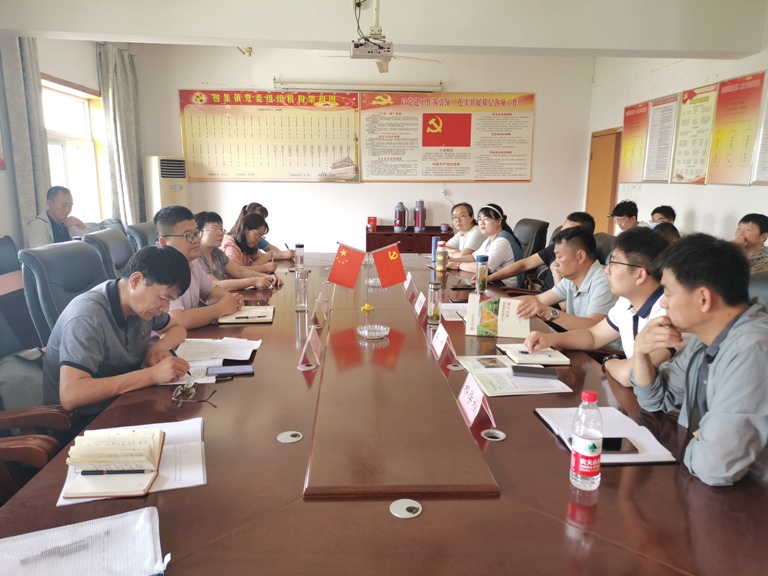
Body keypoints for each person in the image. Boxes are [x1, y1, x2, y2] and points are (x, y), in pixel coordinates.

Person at [630, 233, 768, 486]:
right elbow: (655, 401)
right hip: (709, 486)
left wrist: (703, 441)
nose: (663, 302)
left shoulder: (752, 351)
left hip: (752, 497)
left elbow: (715, 466)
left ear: (703, 298)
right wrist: (640, 353)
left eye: (668, 293)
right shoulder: (704, 339)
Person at [42, 245, 192, 416]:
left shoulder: (141, 307)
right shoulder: (87, 316)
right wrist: (152, 375)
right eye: (164, 298)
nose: (165, 308)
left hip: (124, 400)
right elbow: (71, 395)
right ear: (136, 281)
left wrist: (158, 348)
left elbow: (177, 329)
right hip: (85, 419)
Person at [524, 227, 672, 386]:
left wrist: (609, 362)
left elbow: (629, 375)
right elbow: (593, 336)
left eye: (613, 263)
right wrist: (549, 339)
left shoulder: (668, 313)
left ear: (640, 274)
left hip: (658, 399)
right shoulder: (626, 302)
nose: (607, 270)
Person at [155, 205, 244, 330]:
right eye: (188, 235)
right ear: (164, 242)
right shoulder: (159, 270)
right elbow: (178, 320)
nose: (197, 240)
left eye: (196, 233)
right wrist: (220, 308)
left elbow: (211, 293)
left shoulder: (193, 262)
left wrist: (231, 300)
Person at [516, 227, 616, 330]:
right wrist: (505, 303)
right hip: (574, 337)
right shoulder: (571, 279)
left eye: (559, 257)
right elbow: (538, 299)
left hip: (588, 340)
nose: (555, 263)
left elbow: (594, 326)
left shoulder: (603, 282)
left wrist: (548, 312)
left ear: (580, 256)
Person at [481, 212, 596, 290]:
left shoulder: (580, 263)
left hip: (552, 311)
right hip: (543, 301)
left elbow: (565, 306)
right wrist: (490, 278)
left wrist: (555, 272)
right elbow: (524, 264)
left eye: (568, 231)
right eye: (562, 229)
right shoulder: (555, 247)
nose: (562, 234)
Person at [195, 211, 282, 290]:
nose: (220, 233)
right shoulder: (196, 257)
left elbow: (239, 271)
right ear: (198, 233)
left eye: (221, 229)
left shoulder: (217, 253)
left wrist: (266, 277)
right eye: (214, 229)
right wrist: (254, 281)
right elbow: (215, 285)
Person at [447, 204, 524, 286]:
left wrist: (458, 265)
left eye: (486, 219)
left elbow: (484, 268)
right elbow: (473, 257)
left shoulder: (502, 242)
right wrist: (453, 260)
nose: (481, 223)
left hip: (505, 288)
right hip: (492, 282)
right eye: (479, 219)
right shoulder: (490, 239)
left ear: (499, 221)